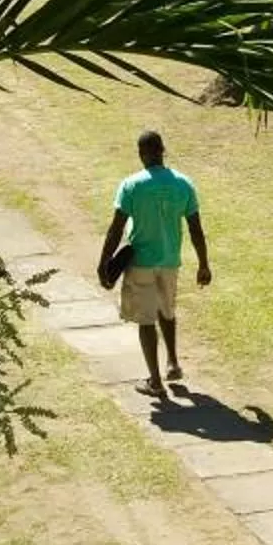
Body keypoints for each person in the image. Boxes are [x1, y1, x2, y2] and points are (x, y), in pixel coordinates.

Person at [101, 129, 210, 400]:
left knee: (146, 320)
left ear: (141, 154)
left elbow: (116, 228)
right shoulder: (183, 184)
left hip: (140, 262)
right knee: (167, 311)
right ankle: (173, 362)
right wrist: (203, 264)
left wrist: (104, 262)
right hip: (170, 260)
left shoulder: (131, 185)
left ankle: (156, 382)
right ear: (163, 150)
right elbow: (195, 228)